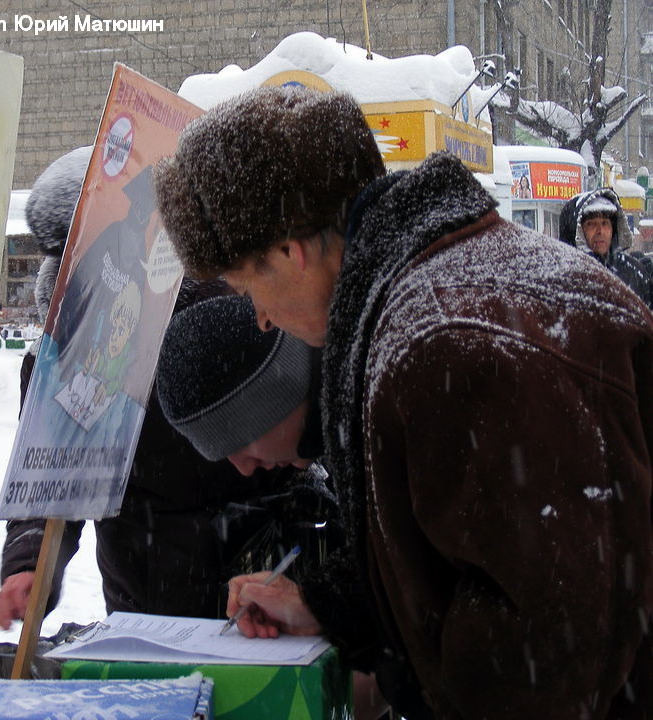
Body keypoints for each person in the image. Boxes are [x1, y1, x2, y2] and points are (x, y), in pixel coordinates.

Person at [153, 86, 653, 719]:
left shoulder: (441, 340)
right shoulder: (451, 291)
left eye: (244, 285)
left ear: (288, 251)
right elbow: (469, 558)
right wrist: (331, 606)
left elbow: (545, 651)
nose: (258, 317)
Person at [0, 146, 337, 630]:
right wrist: (30, 566)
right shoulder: (64, 357)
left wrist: (309, 589)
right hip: (143, 602)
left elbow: (303, 439)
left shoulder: (229, 319)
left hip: (261, 587)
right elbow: (52, 478)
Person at [156, 293, 385, 720]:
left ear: (271, 403)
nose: (244, 469)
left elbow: (438, 586)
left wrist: (384, 670)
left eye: (238, 444)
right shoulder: (343, 417)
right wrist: (320, 606)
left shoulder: (377, 418)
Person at [559, 188, 653, 308]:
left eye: (605, 223)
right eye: (591, 224)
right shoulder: (566, 279)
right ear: (577, 230)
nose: (600, 231)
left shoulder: (633, 272)